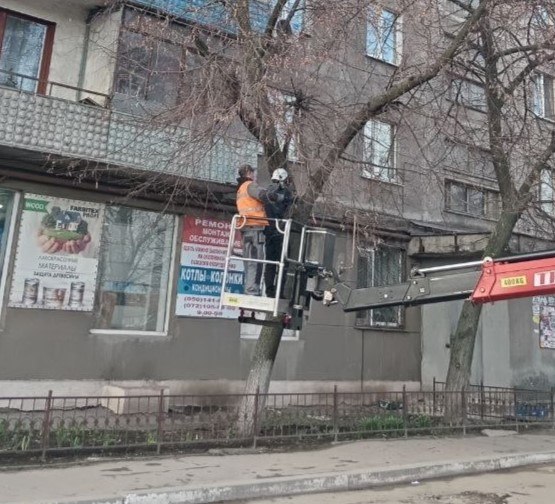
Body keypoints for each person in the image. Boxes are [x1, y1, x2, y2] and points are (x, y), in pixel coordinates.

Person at [236, 164, 270, 296]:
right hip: (255, 227)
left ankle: (249, 288)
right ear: (248, 173)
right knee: (256, 260)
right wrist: (272, 194)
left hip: (246, 228)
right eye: (253, 173)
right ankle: (252, 290)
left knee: (249, 260)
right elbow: (262, 195)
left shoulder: (240, 189)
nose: (255, 176)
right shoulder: (250, 186)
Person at [263, 168, 293, 298]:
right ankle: (279, 292)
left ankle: (269, 291)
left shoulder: (266, 192)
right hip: (281, 232)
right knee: (283, 264)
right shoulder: (285, 193)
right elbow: (288, 210)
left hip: (269, 231)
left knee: (270, 263)